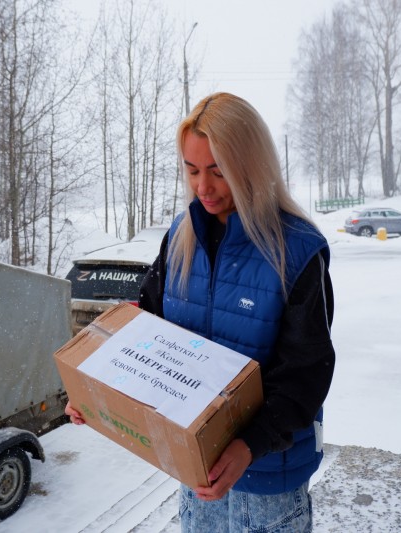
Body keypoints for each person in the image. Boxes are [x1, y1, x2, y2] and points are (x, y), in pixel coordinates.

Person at [66, 92, 335, 532]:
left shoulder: (297, 251)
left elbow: (306, 374)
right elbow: (143, 330)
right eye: (192, 171)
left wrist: (249, 444)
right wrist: (96, 389)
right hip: (196, 472)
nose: (202, 187)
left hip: (269, 482)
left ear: (252, 167)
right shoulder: (180, 237)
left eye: (218, 171)